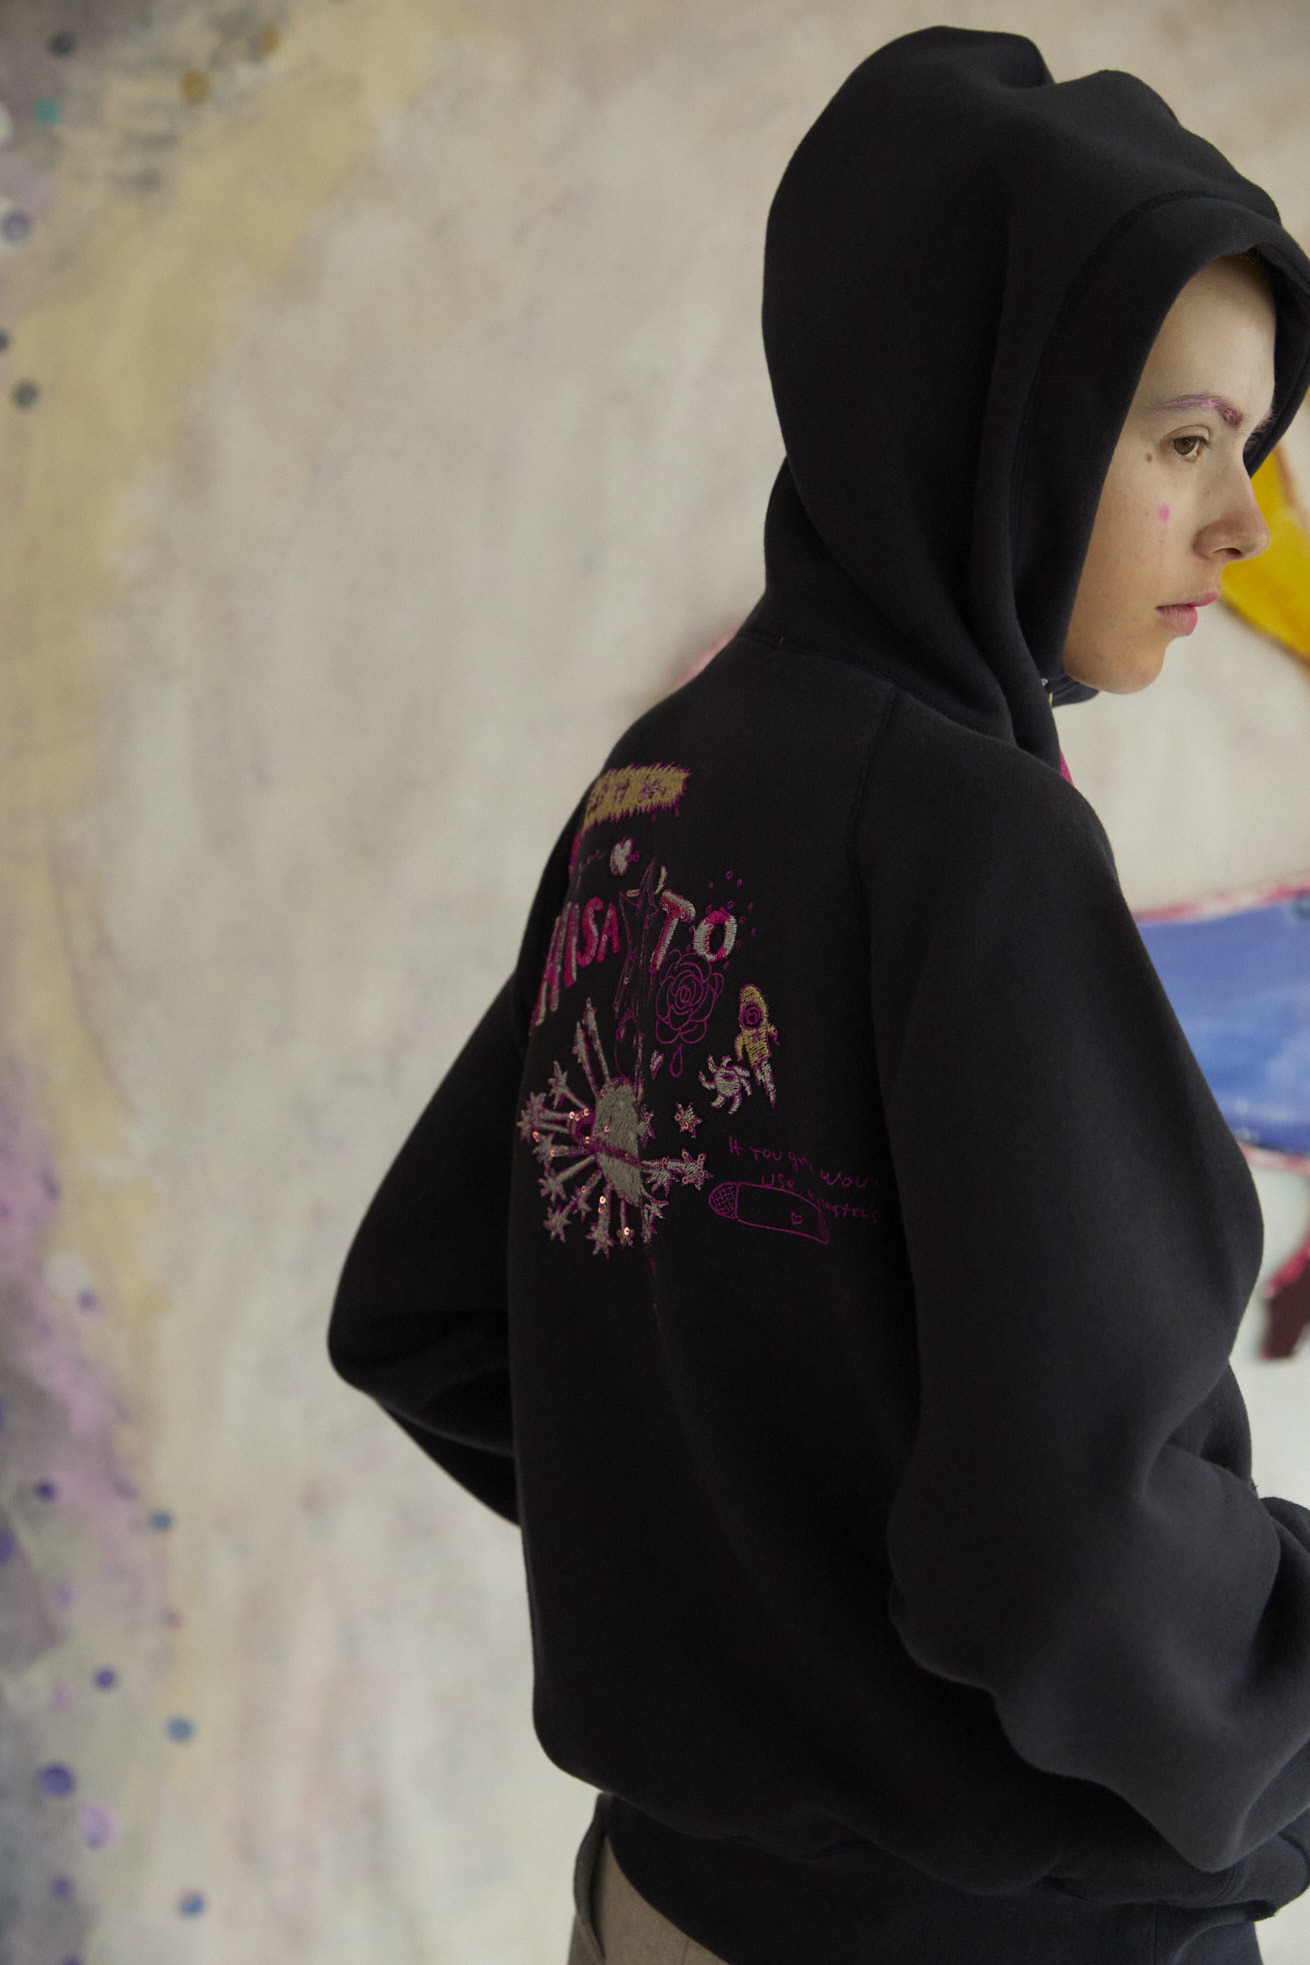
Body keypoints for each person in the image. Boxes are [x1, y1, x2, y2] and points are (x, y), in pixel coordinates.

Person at [326, 26, 1310, 1965]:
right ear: (983, 416)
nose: (1243, 523)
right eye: (1179, 440)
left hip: (664, 1900)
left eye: (1250, 446)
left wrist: (749, 1616)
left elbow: (434, 1312)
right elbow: (1067, 1543)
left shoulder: (665, 782)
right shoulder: (970, 838)